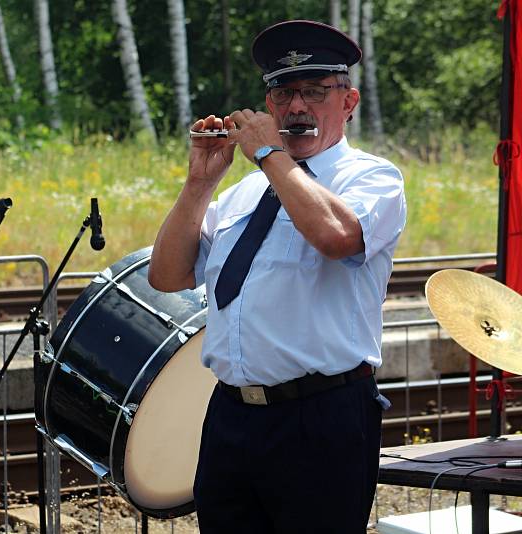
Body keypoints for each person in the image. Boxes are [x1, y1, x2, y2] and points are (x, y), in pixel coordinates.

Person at [149, 20, 406, 533]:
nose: (296, 107)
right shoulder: (246, 193)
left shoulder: (372, 178)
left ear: (348, 102)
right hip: (232, 415)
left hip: (321, 418)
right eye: (283, 93)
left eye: (314, 92)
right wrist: (200, 183)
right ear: (269, 105)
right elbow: (168, 275)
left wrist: (271, 155)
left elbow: (336, 237)